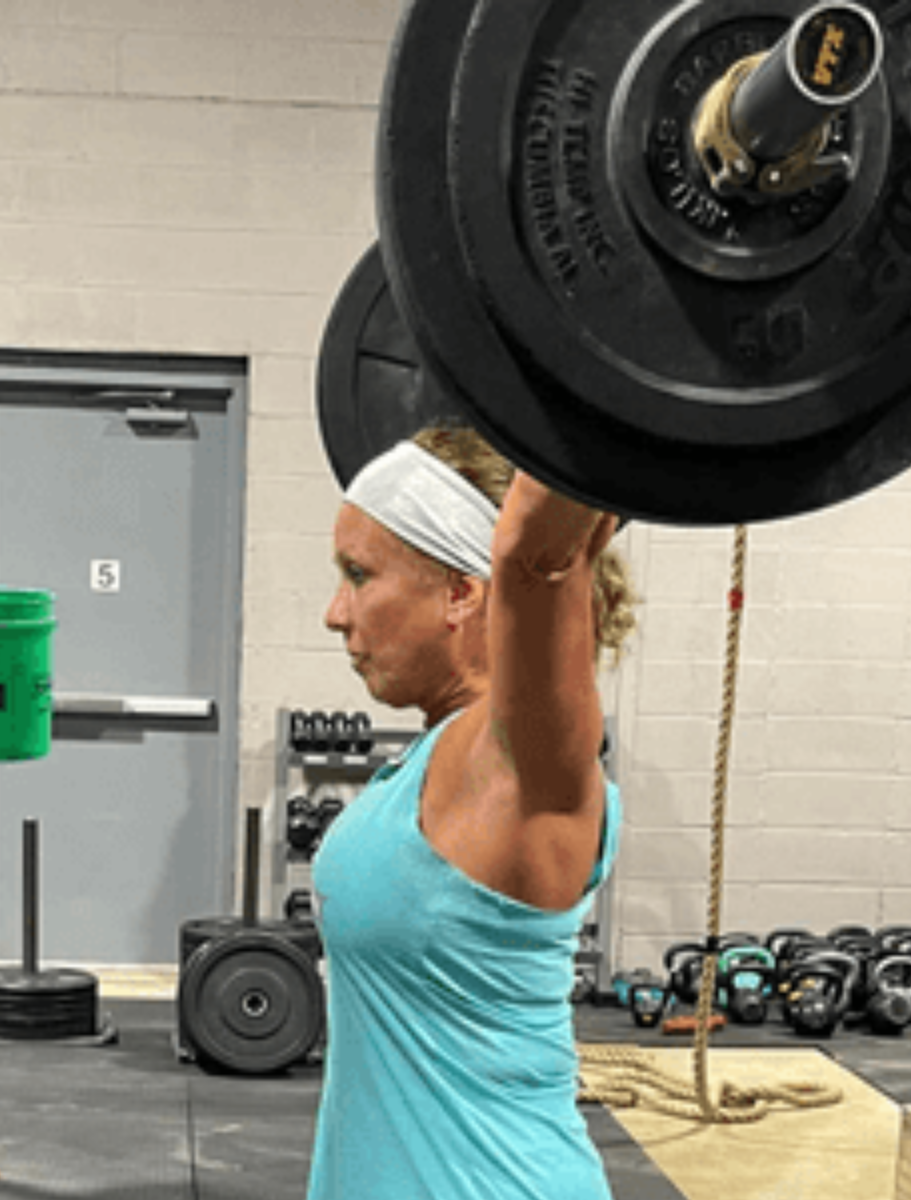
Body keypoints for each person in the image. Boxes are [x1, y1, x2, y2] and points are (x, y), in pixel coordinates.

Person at [307, 424, 636, 1200]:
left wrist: (585, 409)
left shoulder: (519, 768)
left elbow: (537, 560)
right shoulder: (435, 756)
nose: (334, 612)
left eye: (359, 574)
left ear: (462, 591)